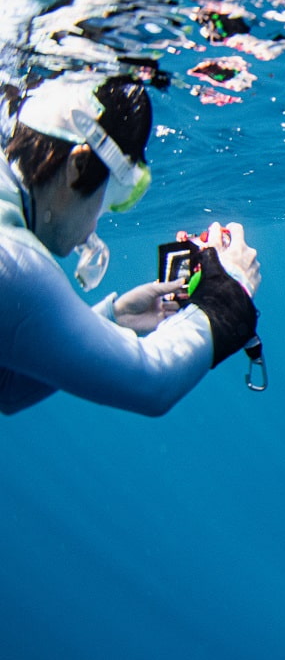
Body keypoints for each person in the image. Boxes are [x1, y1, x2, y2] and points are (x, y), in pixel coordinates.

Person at [1, 73, 260, 416]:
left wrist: (112, 320)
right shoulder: (15, 263)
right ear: (78, 167)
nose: (97, 222)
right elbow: (150, 382)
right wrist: (228, 297)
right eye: (113, 195)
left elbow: (6, 388)